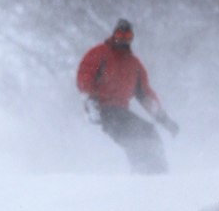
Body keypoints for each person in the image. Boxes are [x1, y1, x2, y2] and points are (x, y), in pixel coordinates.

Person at [76, 18, 179, 175]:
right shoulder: (99, 54)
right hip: (104, 110)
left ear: (131, 38)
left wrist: (164, 119)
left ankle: (159, 171)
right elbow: (85, 76)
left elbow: (145, 95)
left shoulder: (133, 64)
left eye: (127, 36)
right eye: (119, 35)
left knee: (149, 132)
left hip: (121, 110)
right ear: (114, 34)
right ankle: (141, 172)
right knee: (133, 137)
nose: (122, 39)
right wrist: (90, 101)